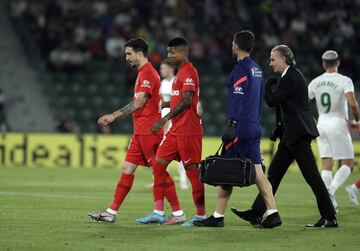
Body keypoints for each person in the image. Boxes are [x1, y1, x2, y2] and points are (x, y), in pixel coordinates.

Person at [232, 45, 338, 228]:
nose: (270, 63)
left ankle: (330, 217)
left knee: (312, 177)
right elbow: (288, 107)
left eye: (273, 59)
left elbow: (273, 101)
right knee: (273, 175)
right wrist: (279, 129)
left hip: (298, 135)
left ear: (284, 59)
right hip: (291, 135)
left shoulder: (292, 77)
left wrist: (267, 87)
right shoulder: (289, 76)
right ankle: (256, 213)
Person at [88, 38, 182, 223]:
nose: (126, 58)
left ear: (140, 54)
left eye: (129, 54)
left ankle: (178, 213)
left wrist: (113, 116)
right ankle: (111, 212)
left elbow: (139, 102)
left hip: (149, 131)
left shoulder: (147, 73)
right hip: (140, 131)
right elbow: (158, 100)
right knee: (128, 168)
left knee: (158, 171)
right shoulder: (143, 73)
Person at [193, 30, 281, 228]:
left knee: (226, 169)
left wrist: (232, 124)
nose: (232, 46)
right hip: (253, 126)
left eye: (233, 43)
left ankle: (217, 217)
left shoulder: (240, 69)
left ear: (236, 46)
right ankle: (273, 213)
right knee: (258, 172)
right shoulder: (257, 69)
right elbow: (257, 100)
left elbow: (238, 98)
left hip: (240, 128)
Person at [136, 37, 206, 226]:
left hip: (188, 130)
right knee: (158, 165)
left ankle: (201, 215)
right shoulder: (180, 74)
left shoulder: (189, 72)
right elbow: (180, 99)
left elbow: (187, 100)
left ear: (182, 52)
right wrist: (166, 103)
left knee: (192, 173)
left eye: (171, 52)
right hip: (176, 130)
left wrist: (165, 117)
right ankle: (159, 212)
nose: (168, 55)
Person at [308, 50, 360, 212]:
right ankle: (330, 192)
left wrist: (313, 120)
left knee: (326, 165)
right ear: (338, 63)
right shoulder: (344, 80)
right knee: (348, 164)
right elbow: (352, 103)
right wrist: (357, 120)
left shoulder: (315, 82)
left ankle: (328, 201)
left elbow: (301, 103)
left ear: (323, 64)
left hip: (321, 125)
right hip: (339, 124)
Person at [159, 59, 189, 190]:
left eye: (163, 68)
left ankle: (182, 179)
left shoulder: (177, 82)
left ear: (170, 69)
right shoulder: (162, 83)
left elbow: (179, 104)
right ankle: (164, 179)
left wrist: (169, 120)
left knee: (180, 153)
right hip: (163, 121)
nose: (161, 71)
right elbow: (161, 103)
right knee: (160, 152)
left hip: (173, 121)